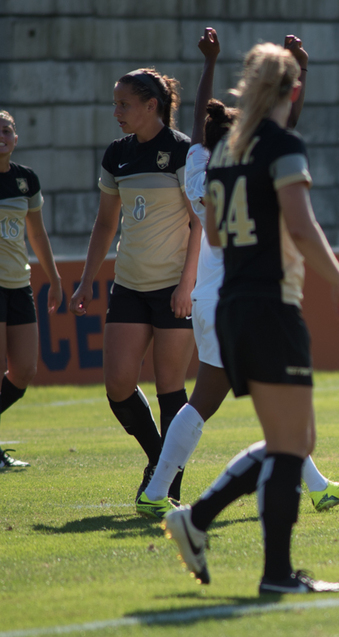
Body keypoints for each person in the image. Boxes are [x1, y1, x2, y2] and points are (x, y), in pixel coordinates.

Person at [138, 28, 339, 519]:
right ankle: (162, 495)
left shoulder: (206, 163)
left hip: (214, 295)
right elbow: (285, 140)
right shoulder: (263, 152)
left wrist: (209, 64)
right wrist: (300, 70)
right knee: (221, 405)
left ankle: (312, 486)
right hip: (254, 290)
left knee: (252, 408)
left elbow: (200, 128)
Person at [68, 68, 201, 502]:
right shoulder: (117, 154)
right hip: (129, 284)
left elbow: (198, 223)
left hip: (173, 288)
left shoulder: (182, 152)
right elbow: (106, 222)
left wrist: (187, 285)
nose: (116, 112)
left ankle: (168, 494)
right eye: (115, 103)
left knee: (170, 388)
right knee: (119, 385)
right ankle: (160, 456)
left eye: (124, 104)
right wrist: (87, 280)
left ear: (152, 106)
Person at [0, 111, 62, 468]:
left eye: (7, 130)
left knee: (23, 371)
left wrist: (54, 279)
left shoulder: (26, 180)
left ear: (16, 138)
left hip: (19, 284)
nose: (3, 136)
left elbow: (37, 234)